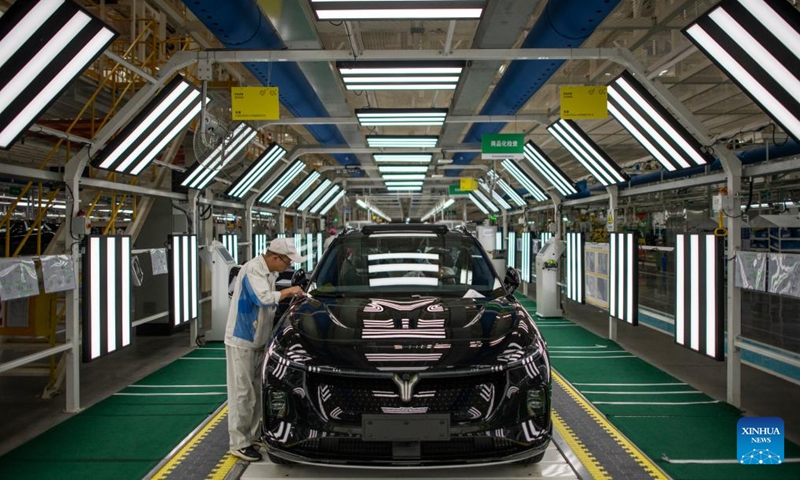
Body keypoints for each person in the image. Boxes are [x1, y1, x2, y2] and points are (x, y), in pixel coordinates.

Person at [224, 237, 305, 462]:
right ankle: (239, 443)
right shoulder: (252, 270)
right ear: (275, 257)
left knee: (256, 393)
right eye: (287, 262)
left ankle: (251, 437)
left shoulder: (270, 273)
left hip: (259, 340)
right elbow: (263, 298)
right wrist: (289, 291)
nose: (289, 266)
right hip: (242, 340)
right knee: (242, 393)